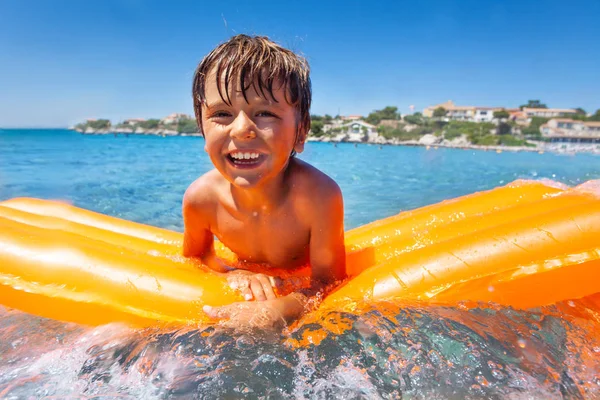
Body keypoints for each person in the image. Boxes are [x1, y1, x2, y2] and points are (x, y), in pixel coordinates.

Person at [182, 34, 346, 328]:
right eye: (221, 114)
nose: (242, 129)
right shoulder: (201, 199)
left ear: (301, 132)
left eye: (266, 113)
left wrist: (279, 310)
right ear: (202, 130)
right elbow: (197, 259)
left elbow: (329, 282)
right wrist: (233, 274)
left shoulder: (318, 196)